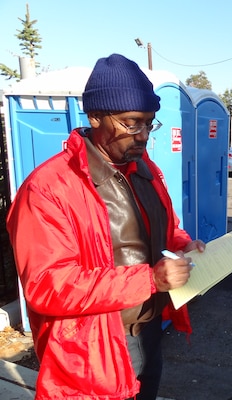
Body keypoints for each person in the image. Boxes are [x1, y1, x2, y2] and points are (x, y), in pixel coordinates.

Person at [6, 53, 205, 400]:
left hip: (149, 333)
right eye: (132, 123)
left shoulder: (147, 171)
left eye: (149, 122)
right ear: (95, 116)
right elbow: (47, 285)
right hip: (93, 350)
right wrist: (150, 279)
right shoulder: (49, 188)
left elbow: (168, 230)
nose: (143, 135)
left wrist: (185, 245)